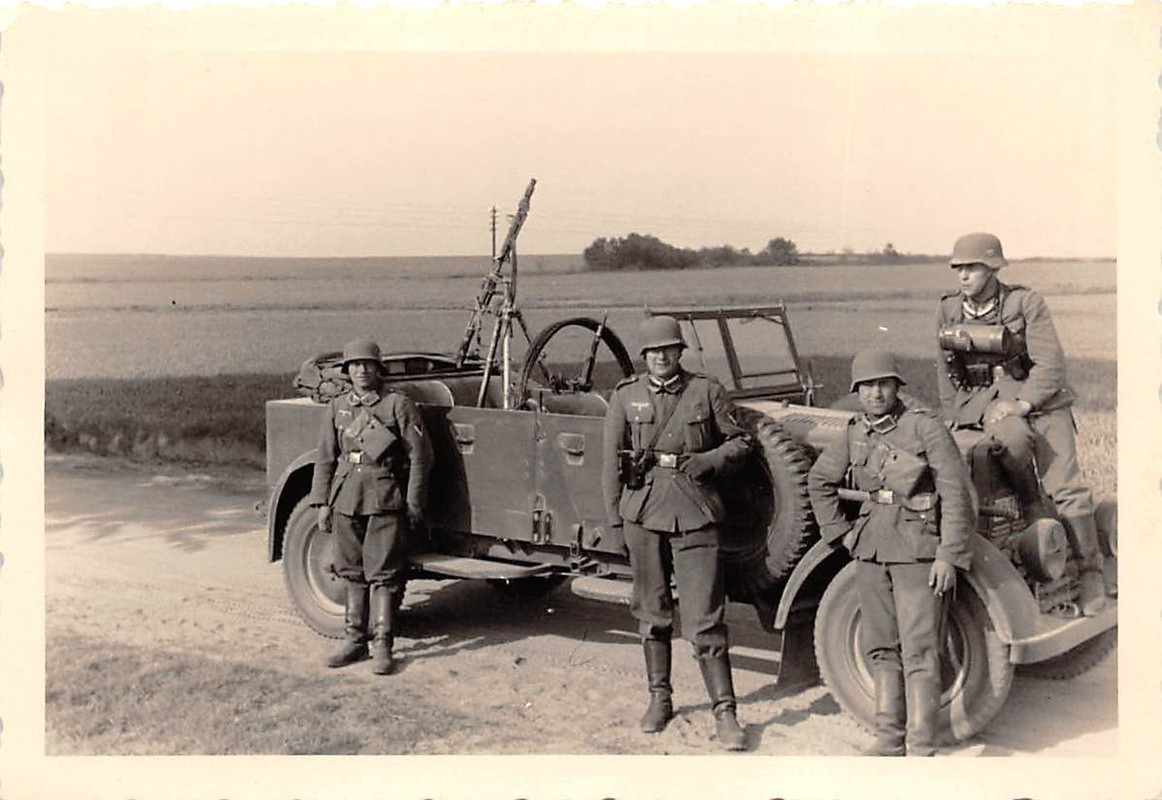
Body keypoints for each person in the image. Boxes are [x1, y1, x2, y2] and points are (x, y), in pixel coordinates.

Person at [808, 350, 974, 756]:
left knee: (919, 649)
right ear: (857, 392)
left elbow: (955, 493)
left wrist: (947, 556)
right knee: (880, 645)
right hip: (869, 549)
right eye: (866, 386)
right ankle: (888, 739)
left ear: (898, 386)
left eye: (883, 384)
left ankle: (920, 745)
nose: (875, 393)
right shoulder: (854, 432)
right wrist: (841, 535)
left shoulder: (924, 428)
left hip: (917, 550)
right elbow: (819, 480)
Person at [602, 315, 753, 751]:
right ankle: (659, 698)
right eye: (653, 351)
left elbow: (741, 442)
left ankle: (725, 711)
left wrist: (710, 461)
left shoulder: (706, 391)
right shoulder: (625, 396)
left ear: (680, 352)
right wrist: (615, 522)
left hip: (695, 511)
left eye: (668, 349)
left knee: (705, 619)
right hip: (643, 515)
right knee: (652, 613)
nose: (661, 357)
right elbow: (610, 461)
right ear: (643, 356)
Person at [935, 231, 1106, 616]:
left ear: (993, 268)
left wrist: (1023, 403)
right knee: (972, 462)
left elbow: (1050, 365)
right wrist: (954, 415)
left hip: (1042, 401)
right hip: (983, 404)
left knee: (1066, 485)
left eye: (973, 267)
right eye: (958, 268)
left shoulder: (1024, 303)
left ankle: (1091, 573)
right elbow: (946, 375)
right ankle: (1024, 523)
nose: (963, 276)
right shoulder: (947, 310)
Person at [308, 338, 434, 674]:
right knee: (351, 571)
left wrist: (413, 503)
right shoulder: (337, 408)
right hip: (346, 497)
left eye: (368, 365)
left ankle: (382, 644)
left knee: (383, 574)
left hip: (384, 498)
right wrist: (322, 503)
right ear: (347, 371)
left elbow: (420, 458)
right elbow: (325, 458)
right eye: (355, 365)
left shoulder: (397, 405)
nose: (362, 371)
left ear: (379, 369)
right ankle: (354, 641)